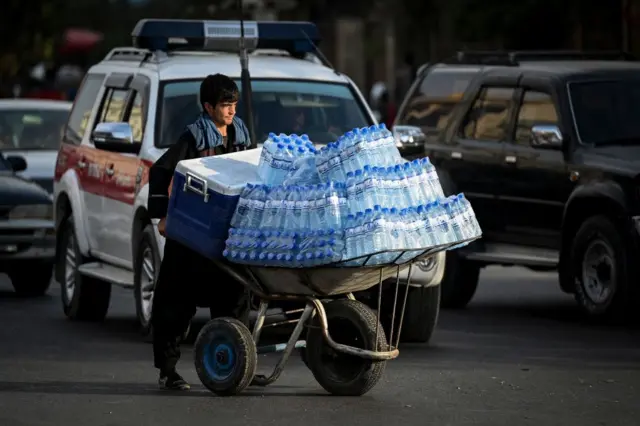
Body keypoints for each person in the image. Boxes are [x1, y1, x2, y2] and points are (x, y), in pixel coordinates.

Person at [147, 74, 252, 390]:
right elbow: (161, 170)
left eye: (234, 104)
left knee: (235, 298)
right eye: (224, 105)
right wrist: (163, 217)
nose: (231, 111)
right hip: (192, 234)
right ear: (208, 107)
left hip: (227, 234)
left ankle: (239, 365)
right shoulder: (192, 137)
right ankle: (168, 371)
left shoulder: (241, 135)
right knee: (176, 302)